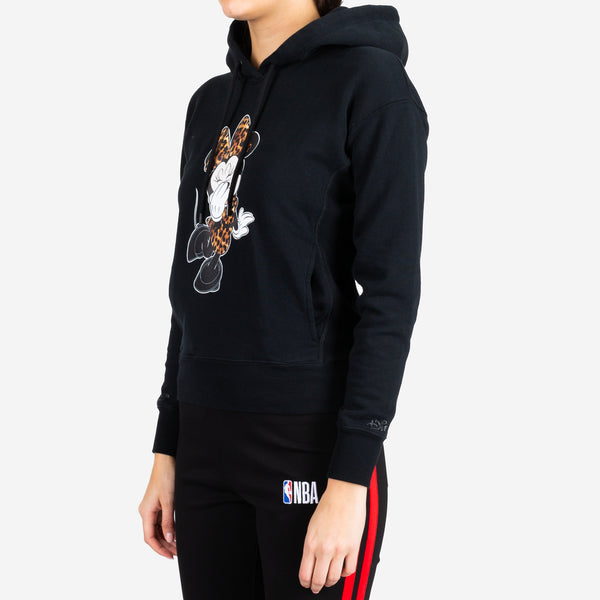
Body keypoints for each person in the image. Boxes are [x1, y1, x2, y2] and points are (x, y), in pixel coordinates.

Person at [138, 0, 429, 597]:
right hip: (204, 444)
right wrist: (168, 446)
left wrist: (350, 479)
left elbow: (391, 294)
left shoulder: (372, 86)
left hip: (308, 446)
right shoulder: (209, 103)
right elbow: (188, 293)